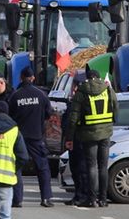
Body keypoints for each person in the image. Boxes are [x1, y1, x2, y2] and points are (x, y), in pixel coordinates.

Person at [64, 68, 116, 208]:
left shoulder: (81, 92)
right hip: (106, 133)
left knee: (91, 166)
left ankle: (92, 199)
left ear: (87, 78)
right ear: (98, 78)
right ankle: (103, 199)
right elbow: (115, 107)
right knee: (103, 167)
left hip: (88, 134)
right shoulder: (107, 89)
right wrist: (111, 122)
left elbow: (73, 117)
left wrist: (69, 137)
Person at [8, 67, 53, 207]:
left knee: (17, 168)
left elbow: (10, 116)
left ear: (21, 77)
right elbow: (49, 114)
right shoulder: (41, 95)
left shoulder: (15, 96)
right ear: (33, 78)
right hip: (36, 136)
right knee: (42, 167)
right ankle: (46, 198)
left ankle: (17, 199)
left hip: (19, 137)